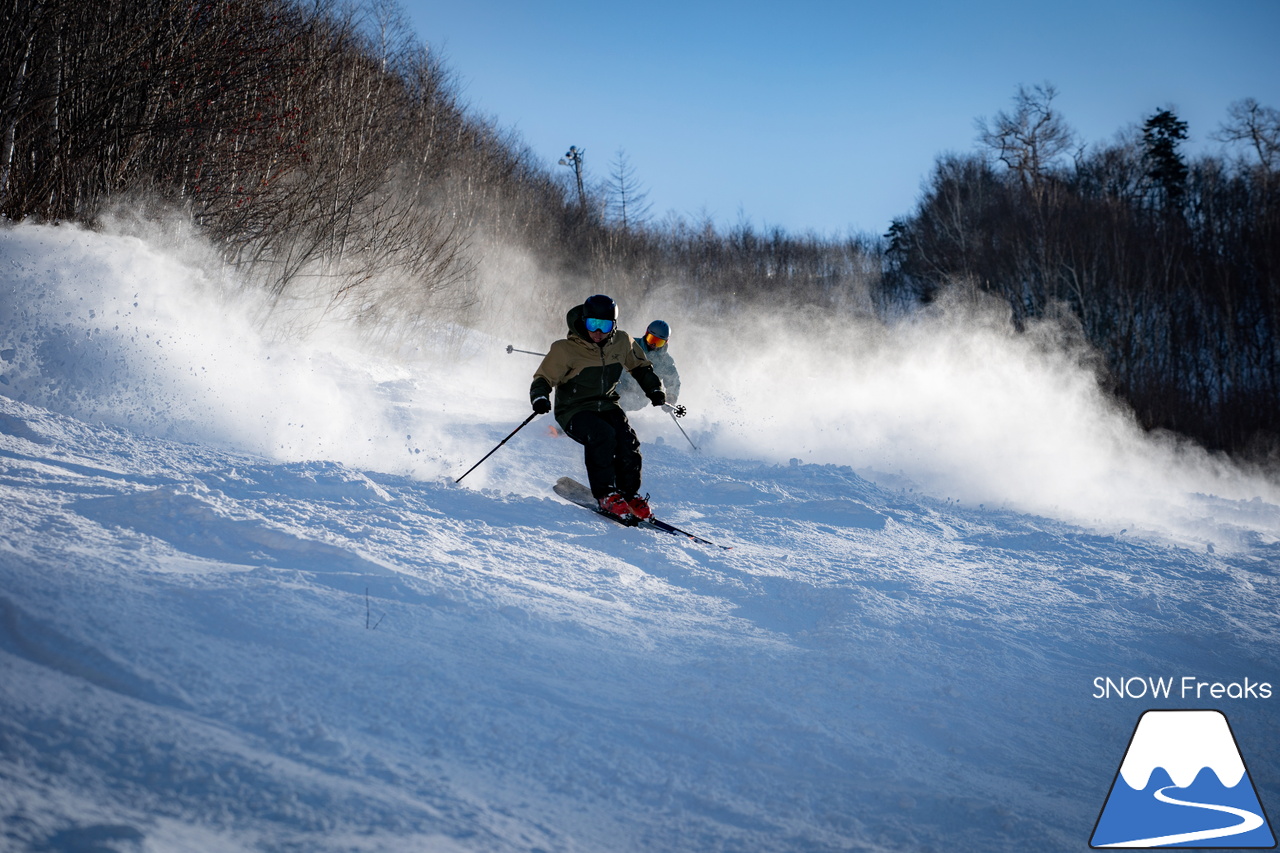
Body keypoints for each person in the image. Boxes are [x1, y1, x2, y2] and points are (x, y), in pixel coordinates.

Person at [530, 295, 666, 521]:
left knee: (627, 441)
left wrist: (654, 389)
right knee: (602, 435)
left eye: (605, 325)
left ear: (614, 325)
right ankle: (606, 495)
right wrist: (540, 398)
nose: (598, 332)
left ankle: (628, 495)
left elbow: (641, 367)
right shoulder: (565, 349)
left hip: (607, 404)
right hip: (573, 410)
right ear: (583, 322)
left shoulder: (622, 342)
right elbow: (543, 378)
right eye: (593, 324)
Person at [617, 320, 681, 412]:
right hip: (621, 385)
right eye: (651, 339)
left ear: (666, 342)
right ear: (646, 334)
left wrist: (670, 397)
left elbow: (673, 380)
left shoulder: (665, 361)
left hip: (640, 396)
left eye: (659, 342)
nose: (653, 345)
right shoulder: (632, 345)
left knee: (628, 403)